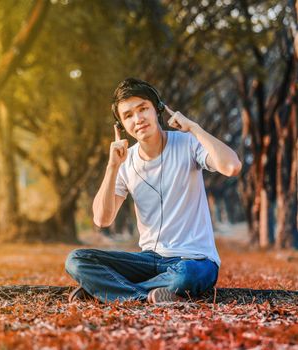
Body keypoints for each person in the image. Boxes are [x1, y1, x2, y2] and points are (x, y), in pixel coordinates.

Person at [65, 78, 242, 303]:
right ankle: (148, 296)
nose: (138, 119)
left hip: (194, 260)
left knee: (184, 277)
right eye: (128, 115)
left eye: (143, 109)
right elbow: (102, 219)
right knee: (77, 259)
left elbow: (232, 166)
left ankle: (108, 291)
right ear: (120, 125)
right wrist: (112, 167)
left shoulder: (187, 143)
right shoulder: (124, 162)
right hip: (149, 261)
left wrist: (195, 128)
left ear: (157, 110)